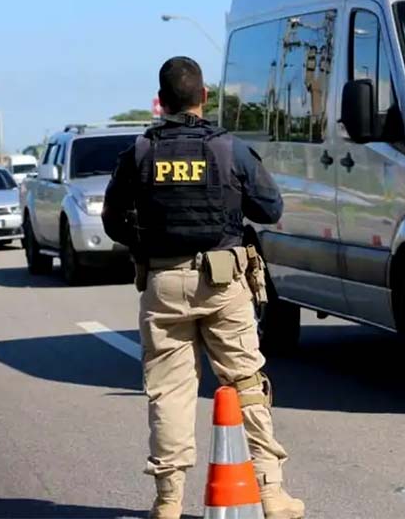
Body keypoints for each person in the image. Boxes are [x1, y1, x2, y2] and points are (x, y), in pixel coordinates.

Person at [103, 56, 304, 519]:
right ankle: (271, 493)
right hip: (223, 280)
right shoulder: (228, 149)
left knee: (169, 392)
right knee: (246, 382)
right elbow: (271, 209)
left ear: (161, 100)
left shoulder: (139, 152)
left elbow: (113, 221)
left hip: (163, 280)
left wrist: (148, 245)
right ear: (204, 97)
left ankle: (168, 501)